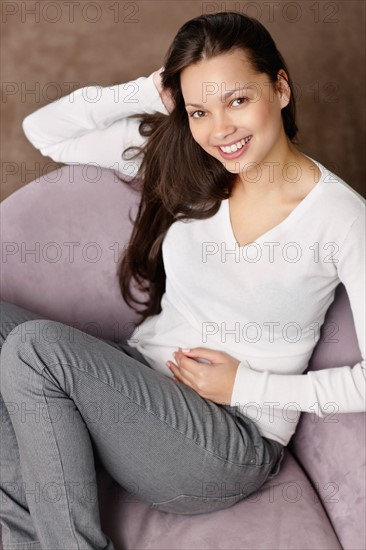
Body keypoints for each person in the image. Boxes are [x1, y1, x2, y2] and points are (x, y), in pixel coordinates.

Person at [1, 11, 365, 550]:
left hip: (226, 445)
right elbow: (46, 132)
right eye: (201, 109)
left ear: (281, 88)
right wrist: (150, 89)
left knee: (37, 349)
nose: (221, 130)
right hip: (139, 392)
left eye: (238, 100)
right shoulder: (193, 169)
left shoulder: (341, 216)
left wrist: (249, 386)